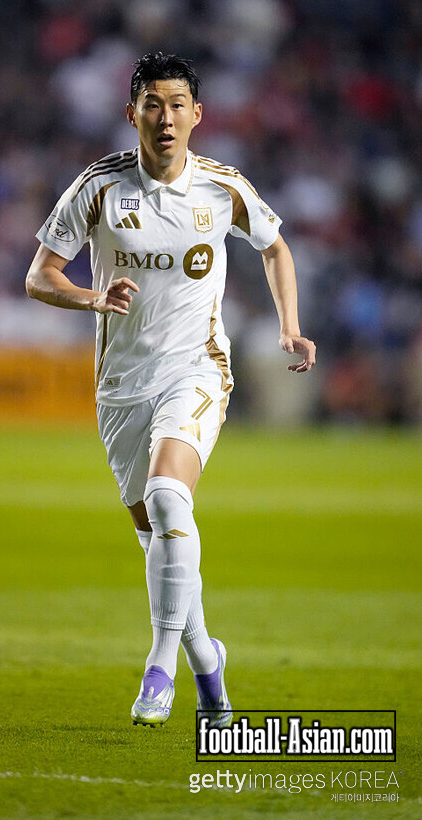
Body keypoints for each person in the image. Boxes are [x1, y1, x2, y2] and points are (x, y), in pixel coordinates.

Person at [26, 53, 316, 728]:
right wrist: (96, 297)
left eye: (178, 104)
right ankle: (209, 666)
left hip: (197, 370)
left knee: (167, 496)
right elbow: (39, 276)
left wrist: (288, 326)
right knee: (162, 539)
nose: (166, 117)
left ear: (197, 115)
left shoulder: (223, 188)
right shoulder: (99, 186)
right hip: (120, 390)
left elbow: (275, 247)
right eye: (152, 104)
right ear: (132, 114)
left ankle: (158, 668)